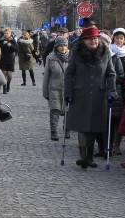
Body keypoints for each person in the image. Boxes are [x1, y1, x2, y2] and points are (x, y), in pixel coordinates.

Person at [64, 26, 116, 169]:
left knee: (93, 126)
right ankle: (83, 157)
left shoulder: (105, 52)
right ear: (84, 40)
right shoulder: (77, 53)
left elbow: (111, 74)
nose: (93, 41)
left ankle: (90, 157)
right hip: (80, 93)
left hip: (99, 94)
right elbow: (69, 74)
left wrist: (111, 91)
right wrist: (68, 92)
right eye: (89, 39)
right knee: (82, 126)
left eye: (95, 38)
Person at [43, 36, 69, 140]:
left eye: (65, 45)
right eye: (60, 46)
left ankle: (67, 129)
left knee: (68, 110)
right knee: (55, 109)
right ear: (56, 47)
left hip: (67, 88)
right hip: (54, 88)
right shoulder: (51, 57)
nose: (63, 48)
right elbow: (46, 76)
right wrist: (45, 92)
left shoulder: (72, 57)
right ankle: (53, 131)